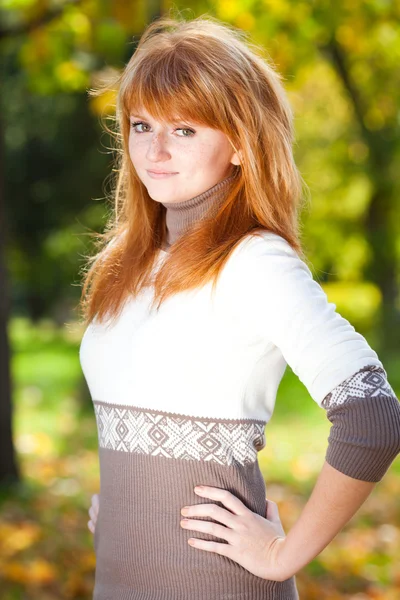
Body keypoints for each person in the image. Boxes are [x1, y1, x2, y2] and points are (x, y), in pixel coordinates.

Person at [79, 12, 400, 600]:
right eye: (142, 125)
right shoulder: (130, 263)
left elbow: (373, 417)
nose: (155, 150)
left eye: (185, 130)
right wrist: (121, 505)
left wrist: (282, 555)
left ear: (240, 145)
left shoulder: (253, 261)